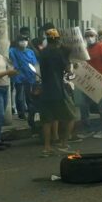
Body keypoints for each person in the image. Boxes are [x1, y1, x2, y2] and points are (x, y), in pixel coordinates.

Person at [38, 28, 77, 156]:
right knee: (71, 116)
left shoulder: (42, 53)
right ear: (58, 39)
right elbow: (67, 70)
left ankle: (47, 148)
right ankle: (64, 144)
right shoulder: (59, 53)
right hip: (58, 90)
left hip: (45, 91)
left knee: (47, 121)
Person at [76, 28, 102, 139]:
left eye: (91, 35)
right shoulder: (85, 49)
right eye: (87, 35)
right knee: (83, 105)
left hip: (99, 81)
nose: (89, 37)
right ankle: (87, 129)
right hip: (87, 81)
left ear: (95, 36)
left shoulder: (101, 47)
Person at [9, 33, 38, 127]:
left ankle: (30, 112)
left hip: (30, 76)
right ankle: (21, 113)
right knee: (20, 95)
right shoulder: (13, 51)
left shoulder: (30, 51)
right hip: (19, 76)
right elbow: (13, 62)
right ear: (17, 42)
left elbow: (34, 63)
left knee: (29, 95)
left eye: (25, 40)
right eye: (21, 40)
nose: (24, 42)